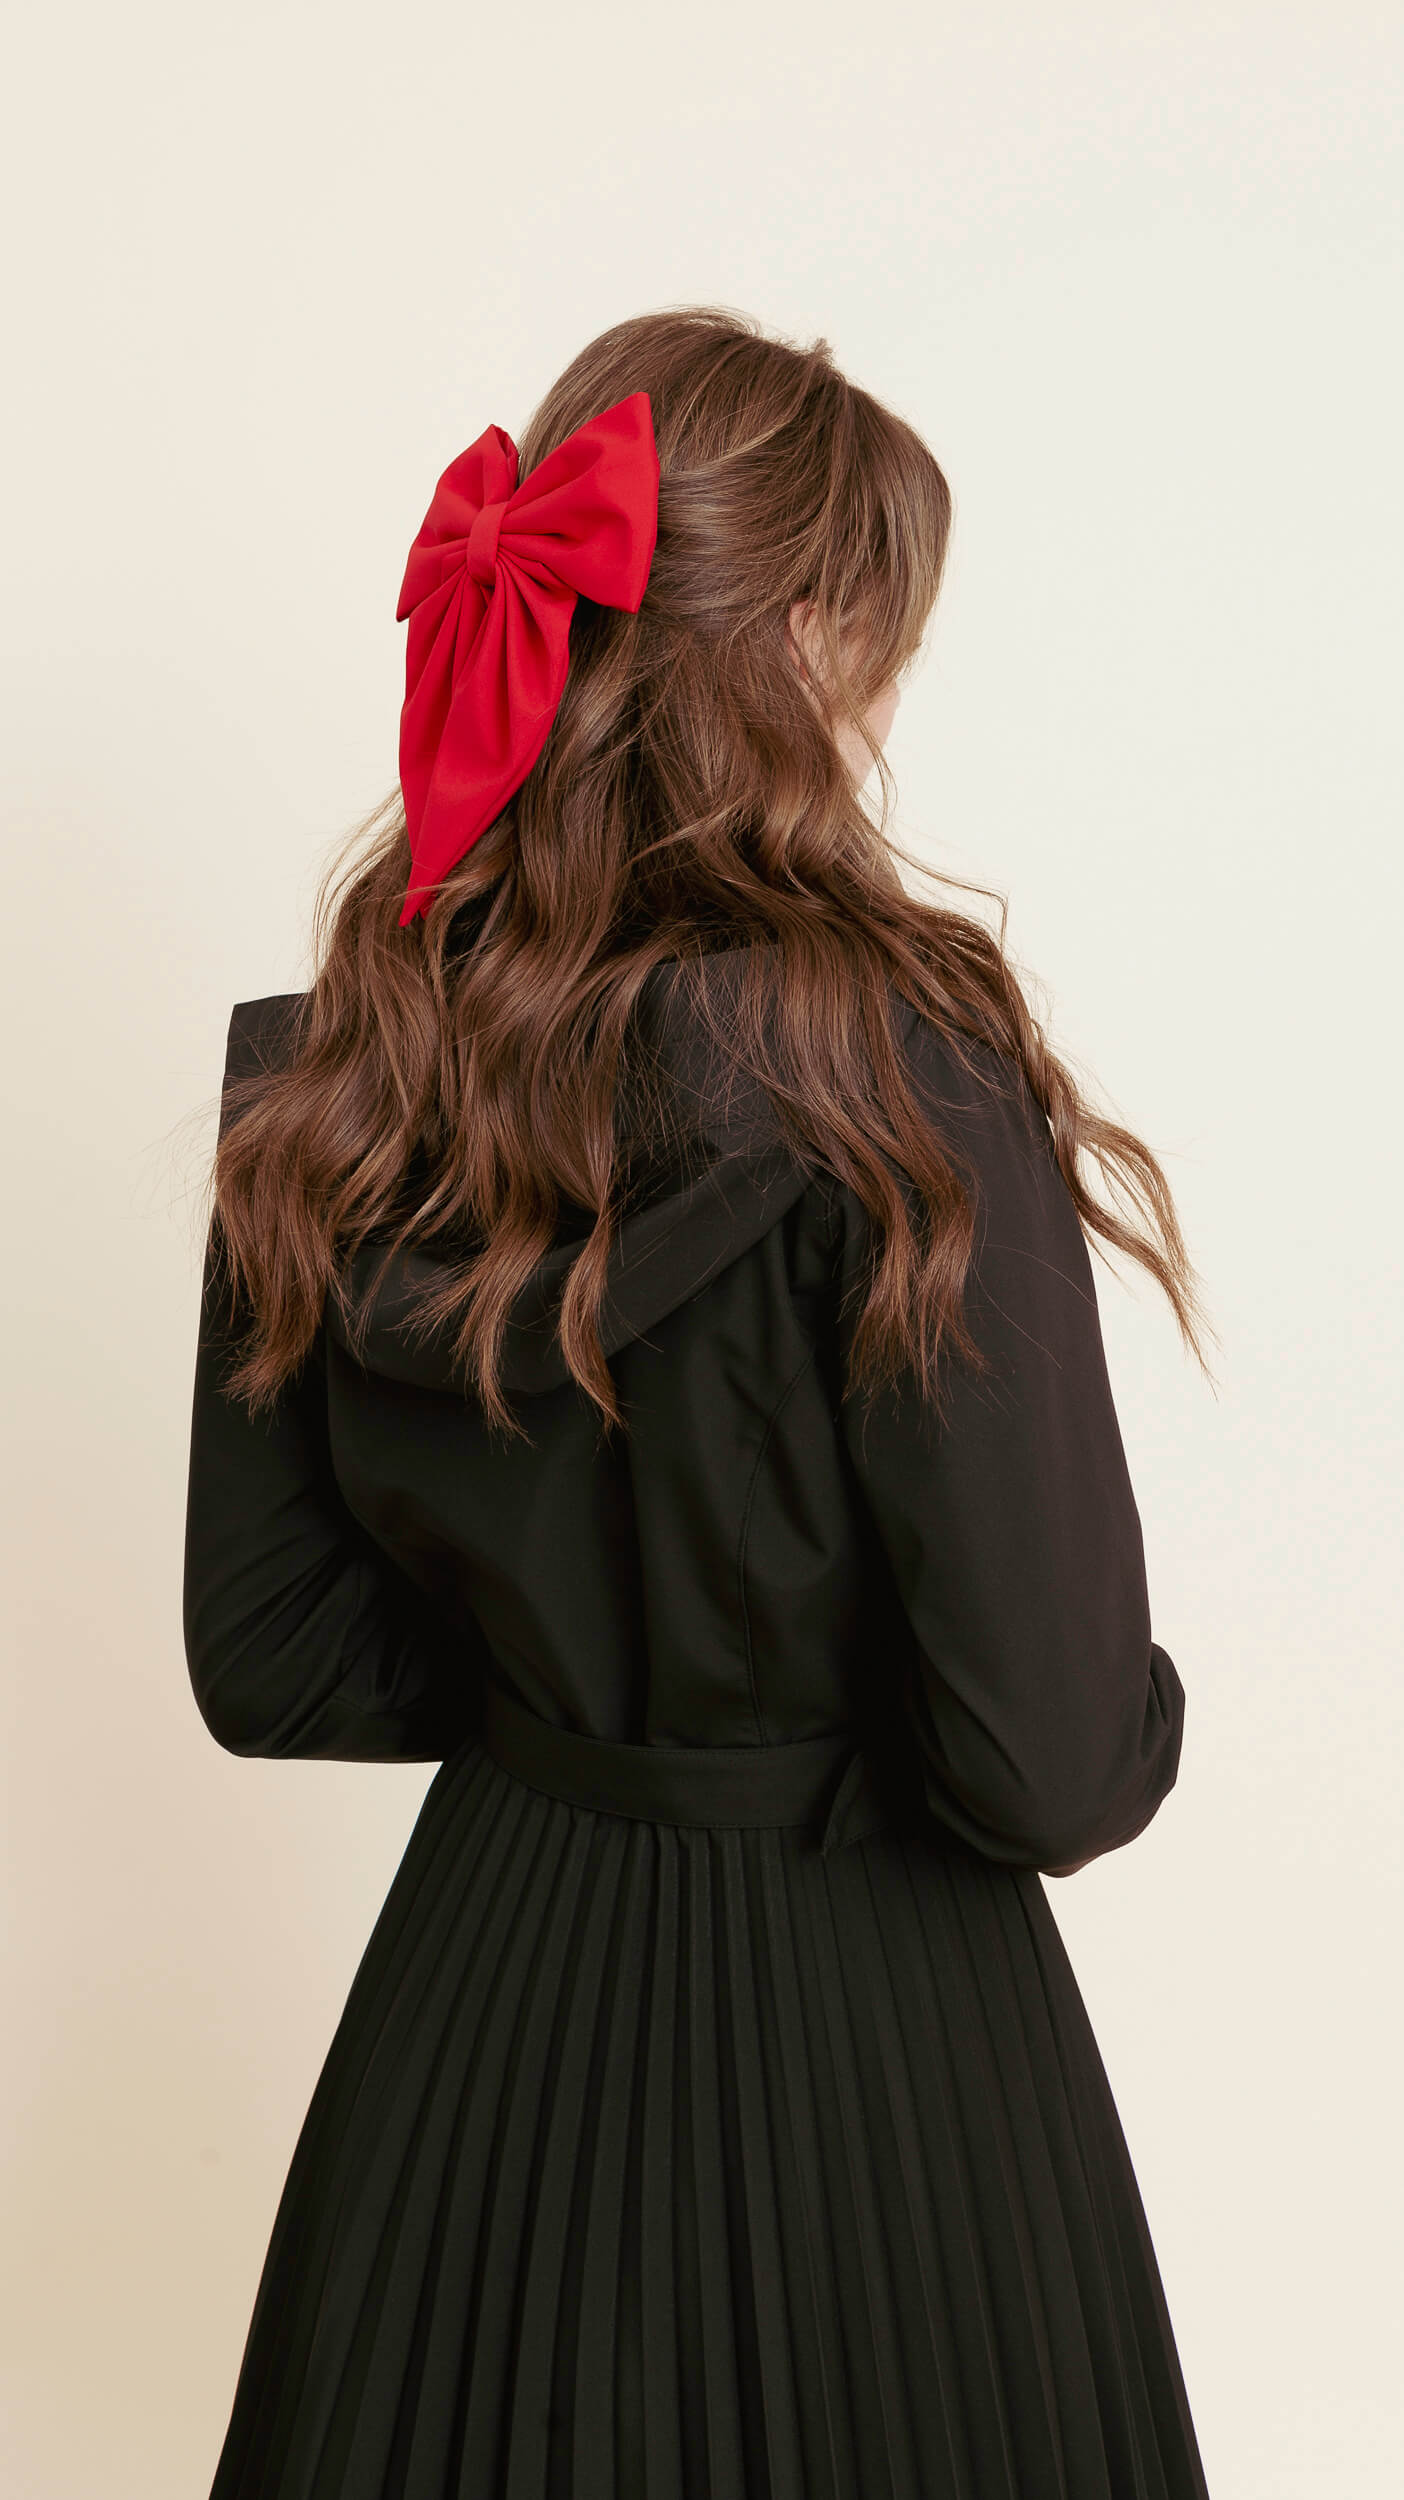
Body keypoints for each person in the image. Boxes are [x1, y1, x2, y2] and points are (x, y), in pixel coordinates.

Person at [183, 305, 1216, 2499]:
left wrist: (576, 1686)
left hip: (478, 2041)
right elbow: (1039, 1750)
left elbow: (269, 1657)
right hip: (883, 2073)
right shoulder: (900, 1071)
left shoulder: (347, 1061)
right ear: (808, 631)